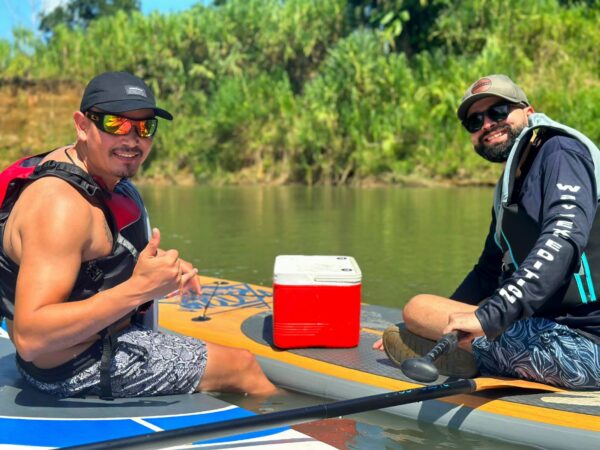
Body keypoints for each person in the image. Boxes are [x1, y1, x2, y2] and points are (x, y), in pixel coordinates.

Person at [0, 71, 275, 399]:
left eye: (145, 127)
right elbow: (31, 338)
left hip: (91, 343)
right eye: (116, 124)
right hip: (72, 367)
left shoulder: (90, 169)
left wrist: (159, 269)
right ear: (82, 125)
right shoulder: (60, 205)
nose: (132, 139)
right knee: (243, 367)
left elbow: (89, 257)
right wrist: (139, 289)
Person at [374, 74, 600, 389]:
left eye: (498, 111)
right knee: (423, 312)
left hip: (587, 347)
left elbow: (562, 238)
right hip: (548, 327)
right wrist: (434, 326)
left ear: (528, 111)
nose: (487, 124)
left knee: (418, 308)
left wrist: (487, 317)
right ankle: (466, 350)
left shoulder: (559, 151)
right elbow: (488, 271)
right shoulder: (513, 183)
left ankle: (473, 354)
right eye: (474, 121)